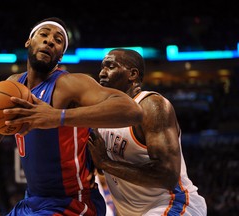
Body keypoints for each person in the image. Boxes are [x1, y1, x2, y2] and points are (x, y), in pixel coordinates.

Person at [0, 18, 143, 216]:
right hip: (31, 201)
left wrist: (57, 116)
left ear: (60, 55)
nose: (50, 41)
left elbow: (132, 111)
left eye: (58, 40)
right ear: (29, 41)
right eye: (44, 35)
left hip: (72, 203)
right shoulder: (12, 86)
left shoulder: (70, 84)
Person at [88, 48, 207, 216]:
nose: (102, 73)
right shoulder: (103, 115)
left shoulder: (151, 106)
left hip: (173, 205)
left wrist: (106, 163)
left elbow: (167, 175)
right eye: (102, 67)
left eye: (110, 66)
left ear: (132, 74)